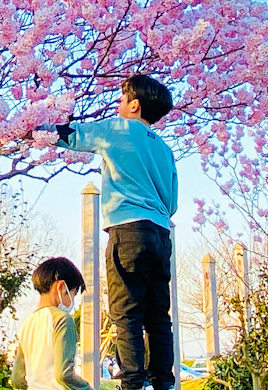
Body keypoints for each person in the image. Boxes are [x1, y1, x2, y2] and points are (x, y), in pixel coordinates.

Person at [51, 74, 177, 390]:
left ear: (134, 105)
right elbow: (172, 203)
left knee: (127, 312)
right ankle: (164, 381)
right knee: (159, 316)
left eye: (122, 100)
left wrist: (29, 129)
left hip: (127, 232)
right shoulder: (164, 149)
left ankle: (132, 383)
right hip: (161, 236)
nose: (119, 105)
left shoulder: (116, 129)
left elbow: (71, 136)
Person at [12, 257, 91, 390]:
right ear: (61, 287)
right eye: (73, 293)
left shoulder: (27, 323)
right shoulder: (62, 320)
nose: (73, 300)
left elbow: (16, 378)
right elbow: (64, 374)